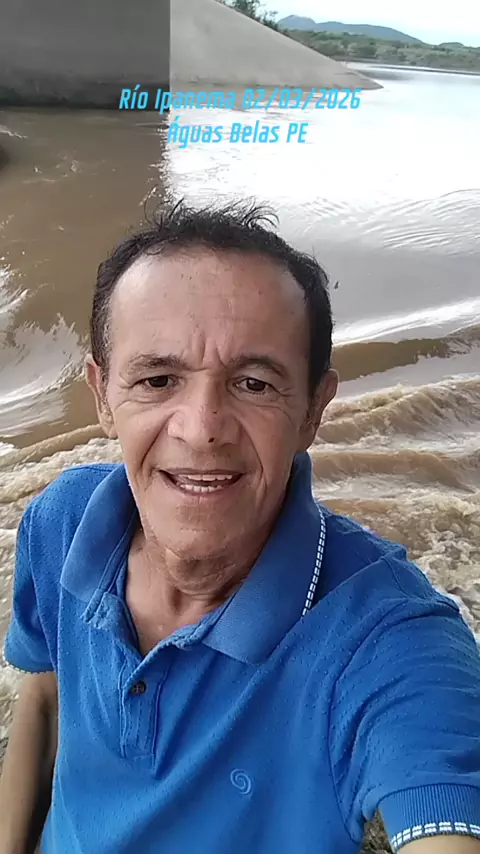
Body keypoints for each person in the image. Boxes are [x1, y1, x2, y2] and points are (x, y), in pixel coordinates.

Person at [1, 200, 479, 854]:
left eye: (254, 384)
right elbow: (45, 700)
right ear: (103, 395)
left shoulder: (387, 636)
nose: (202, 428)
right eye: (158, 379)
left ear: (313, 411)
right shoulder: (61, 522)